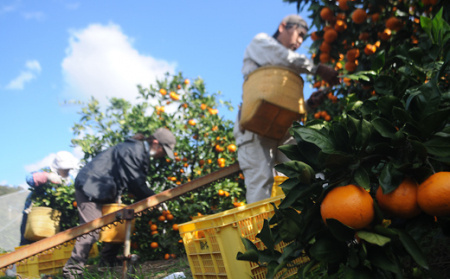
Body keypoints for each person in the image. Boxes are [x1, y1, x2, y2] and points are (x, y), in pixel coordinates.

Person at [234, 14, 339, 204]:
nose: (299, 42)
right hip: (254, 125)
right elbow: (284, 58)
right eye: (299, 34)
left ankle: (328, 214)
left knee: (309, 168)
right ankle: (260, 232)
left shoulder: (285, 68)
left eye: (303, 39)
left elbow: (281, 100)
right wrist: (317, 69)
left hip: (281, 125)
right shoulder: (261, 43)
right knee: (261, 181)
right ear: (283, 27)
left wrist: (308, 104)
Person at [62, 127, 176, 279]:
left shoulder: (139, 152)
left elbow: (132, 182)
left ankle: (107, 263)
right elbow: (136, 183)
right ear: (156, 143)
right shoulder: (133, 149)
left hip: (104, 189)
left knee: (118, 226)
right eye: (163, 150)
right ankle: (72, 272)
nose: (162, 155)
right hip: (90, 186)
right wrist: (155, 198)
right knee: (90, 231)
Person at [20, 151, 78, 245]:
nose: (66, 170)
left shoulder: (70, 180)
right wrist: (46, 177)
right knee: (29, 240)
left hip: (55, 217)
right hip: (36, 214)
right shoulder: (46, 171)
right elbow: (29, 178)